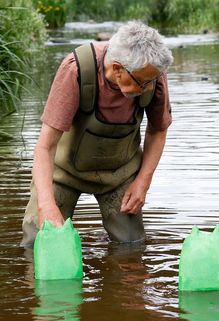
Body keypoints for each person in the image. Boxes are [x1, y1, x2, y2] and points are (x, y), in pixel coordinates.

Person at [22, 20, 174, 245]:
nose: (150, 87)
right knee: (38, 243)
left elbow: (158, 130)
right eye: (143, 83)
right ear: (117, 69)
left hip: (120, 174)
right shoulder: (76, 70)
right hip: (63, 174)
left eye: (152, 80)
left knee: (131, 245)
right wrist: (47, 205)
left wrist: (143, 181)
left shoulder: (151, 73)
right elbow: (45, 146)